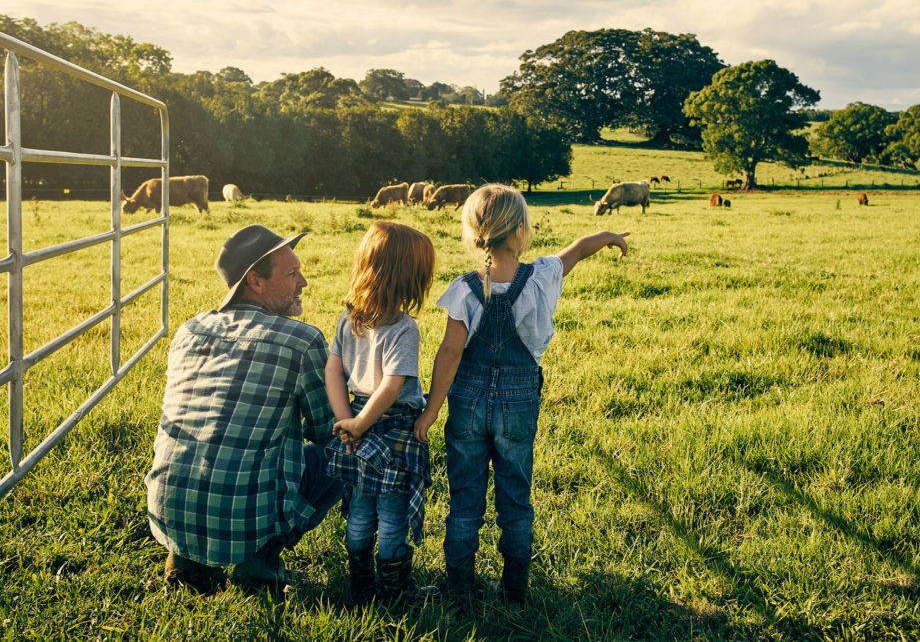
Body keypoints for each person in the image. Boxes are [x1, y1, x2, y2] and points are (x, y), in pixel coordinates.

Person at [413, 183, 629, 605]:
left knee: (464, 499)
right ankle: (515, 591)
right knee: (515, 495)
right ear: (521, 231)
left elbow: (450, 352)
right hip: (518, 403)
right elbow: (578, 250)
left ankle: (459, 590)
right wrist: (607, 237)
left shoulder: (464, 287)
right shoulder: (543, 276)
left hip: (467, 404)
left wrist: (430, 411)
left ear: (475, 232)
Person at [145, 224, 342, 594]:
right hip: (242, 522)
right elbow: (328, 428)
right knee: (346, 449)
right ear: (256, 281)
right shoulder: (301, 340)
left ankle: (187, 562)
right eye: (292, 273)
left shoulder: (190, 330)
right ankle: (260, 561)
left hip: (167, 513)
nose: (304, 282)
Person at [324, 221, 437, 604]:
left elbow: (333, 371)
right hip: (392, 429)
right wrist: (358, 424)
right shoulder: (404, 328)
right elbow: (391, 387)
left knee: (359, 509)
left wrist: (348, 422)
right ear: (408, 278)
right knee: (392, 514)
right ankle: (395, 590)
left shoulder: (348, 318)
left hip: (355, 423)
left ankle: (360, 585)